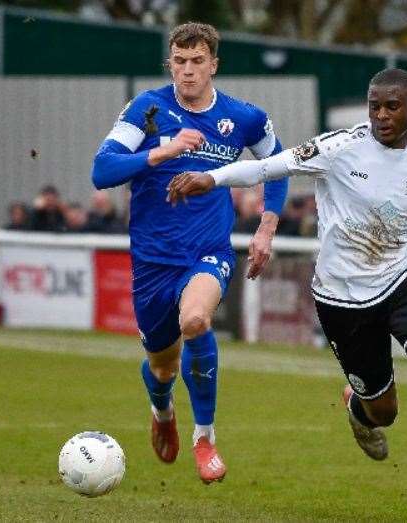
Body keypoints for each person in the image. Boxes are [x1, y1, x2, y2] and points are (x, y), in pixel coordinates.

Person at [168, 68, 407, 516]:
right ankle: (359, 407)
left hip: (400, 282)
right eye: (374, 105)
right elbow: (266, 166)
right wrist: (212, 178)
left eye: (392, 106)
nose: (381, 115)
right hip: (342, 301)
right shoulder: (338, 148)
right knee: (385, 413)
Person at [90, 22, 288, 484]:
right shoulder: (147, 109)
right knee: (162, 367)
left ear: (213, 64)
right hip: (152, 262)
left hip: (208, 251)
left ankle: (205, 438)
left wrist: (266, 226)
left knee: (195, 320)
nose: (187, 71)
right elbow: (102, 171)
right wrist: (161, 154)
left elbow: (278, 167)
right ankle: (162, 410)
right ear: (170, 63)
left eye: (197, 62)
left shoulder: (244, 117)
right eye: (179, 62)